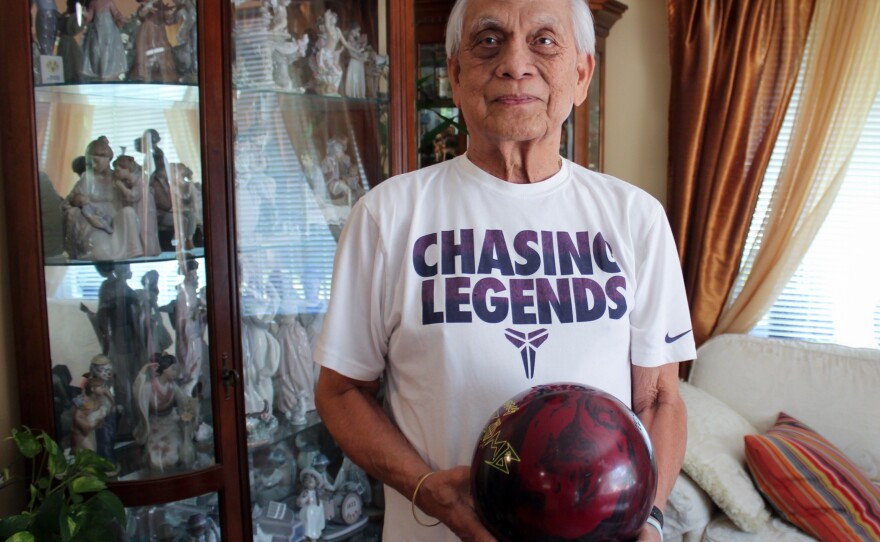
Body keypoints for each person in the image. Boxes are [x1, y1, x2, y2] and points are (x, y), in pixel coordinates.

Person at [313, 0, 695, 541]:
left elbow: (658, 399)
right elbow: (340, 391)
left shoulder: (636, 219)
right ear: (455, 73)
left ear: (582, 74)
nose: (515, 63)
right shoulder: (386, 216)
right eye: (488, 40)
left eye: (543, 41)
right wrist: (427, 491)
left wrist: (649, 519)